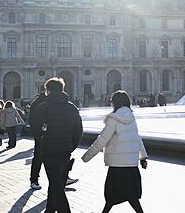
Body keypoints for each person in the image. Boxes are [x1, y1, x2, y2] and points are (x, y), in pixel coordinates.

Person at [82, 91, 148, 213]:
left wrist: (86, 156)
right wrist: (143, 157)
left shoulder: (113, 118)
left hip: (117, 164)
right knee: (131, 195)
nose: (111, 103)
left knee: (112, 195)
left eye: (111, 101)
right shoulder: (131, 117)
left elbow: (102, 139)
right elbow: (137, 138)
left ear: (115, 102)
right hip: (131, 164)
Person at [31, 77, 83, 213]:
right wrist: (71, 146)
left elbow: (35, 128)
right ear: (62, 89)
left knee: (56, 185)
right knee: (56, 183)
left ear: (48, 90)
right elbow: (79, 130)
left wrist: (42, 139)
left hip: (48, 150)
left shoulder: (43, 108)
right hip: (65, 151)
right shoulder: (72, 108)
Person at [29, 90, 48, 190]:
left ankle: (34, 180)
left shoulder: (35, 103)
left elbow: (31, 121)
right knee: (39, 158)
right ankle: (34, 179)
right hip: (44, 135)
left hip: (41, 135)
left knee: (38, 158)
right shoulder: (43, 104)